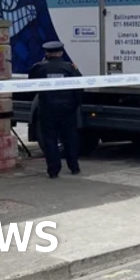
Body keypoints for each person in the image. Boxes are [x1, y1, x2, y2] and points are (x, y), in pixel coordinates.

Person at [28, 41, 84, 179]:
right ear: (61, 52)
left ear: (47, 53)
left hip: (47, 109)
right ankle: (74, 167)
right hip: (67, 109)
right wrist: (74, 105)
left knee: (50, 139)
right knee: (70, 138)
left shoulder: (38, 68)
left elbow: (29, 85)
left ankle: (53, 171)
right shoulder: (70, 68)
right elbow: (79, 88)